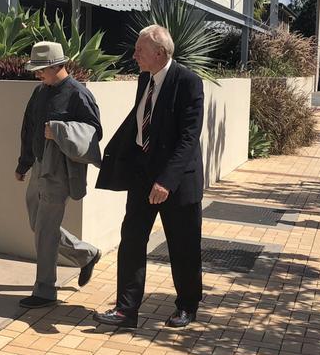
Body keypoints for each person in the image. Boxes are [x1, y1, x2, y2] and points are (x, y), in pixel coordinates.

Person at [93, 25, 204, 328]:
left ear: (159, 52)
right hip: (143, 176)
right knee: (131, 240)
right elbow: (142, 122)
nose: (134, 55)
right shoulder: (145, 79)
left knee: (183, 246)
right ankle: (126, 310)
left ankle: (187, 305)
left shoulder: (189, 82)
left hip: (177, 181)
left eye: (139, 50)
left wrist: (166, 180)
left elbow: (189, 138)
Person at [15, 41, 103, 309]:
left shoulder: (78, 94)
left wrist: (60, 131)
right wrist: (24, 163)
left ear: (56, 66)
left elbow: (93, 132)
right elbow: (29, 127)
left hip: (60, 170)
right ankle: (86, 254)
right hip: (40, 165)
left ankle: (44, 290)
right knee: (38, 224)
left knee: (45, 229)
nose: (37, 74)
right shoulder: (40, 91)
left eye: (41, 69)